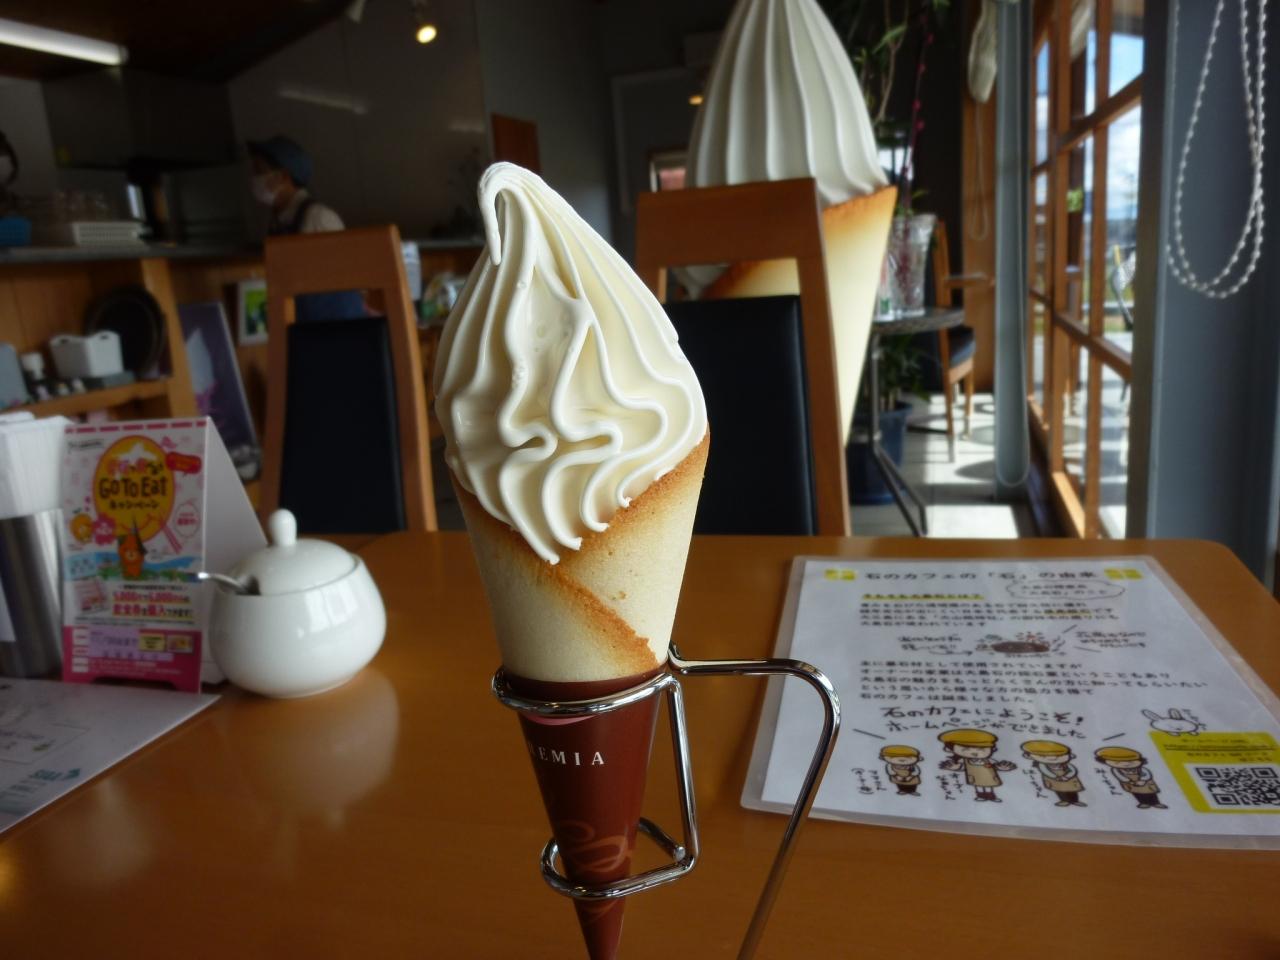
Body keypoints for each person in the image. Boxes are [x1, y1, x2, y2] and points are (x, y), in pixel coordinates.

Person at [247, 136, 344, 235]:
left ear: (283, 176)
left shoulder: (319, 218)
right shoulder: (277, 220)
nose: (254, 178)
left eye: (259, 170)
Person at [938, 728, 1016, 802]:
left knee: (989, 786)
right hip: (975, 778)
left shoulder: (989, 760)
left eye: (981, 749)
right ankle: (980, 796)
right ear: (949, 749)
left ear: (993, 749)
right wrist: (955, 767)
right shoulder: (964, 761)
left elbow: (995, 766)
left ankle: (991, 796)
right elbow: (962, 767)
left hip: (988, 777)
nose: (974, 752)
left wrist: (1002, 767)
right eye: (966, 749)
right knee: (978, 787)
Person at [1095, 746, 1168, 809]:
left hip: (1146, 783)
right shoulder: (1116, 770)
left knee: (1152, 793)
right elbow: (1120, 776)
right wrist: (1129, 781)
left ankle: (1156, 802)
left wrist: (1143, 780)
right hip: (1131, 783)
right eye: (1118, 762)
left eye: (1131, 761)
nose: (1126, 764)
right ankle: (1143, 803)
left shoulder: (1141, 768)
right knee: (1137, 793)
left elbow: (1147, 774)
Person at [1021, 740, 1087, 807]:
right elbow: (1045, 771)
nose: (1052, 758)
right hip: (1054, 778)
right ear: (1028, 756)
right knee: (1059, 790)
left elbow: (1073, 770)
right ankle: (1064, 800)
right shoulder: (1042, 765)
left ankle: (1075, 801)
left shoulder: (1065, 764)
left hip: (1069, 778)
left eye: (1059, 755)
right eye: (1043, 756)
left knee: (1072, 790)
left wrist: (1067, 776)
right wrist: (1055, 777)